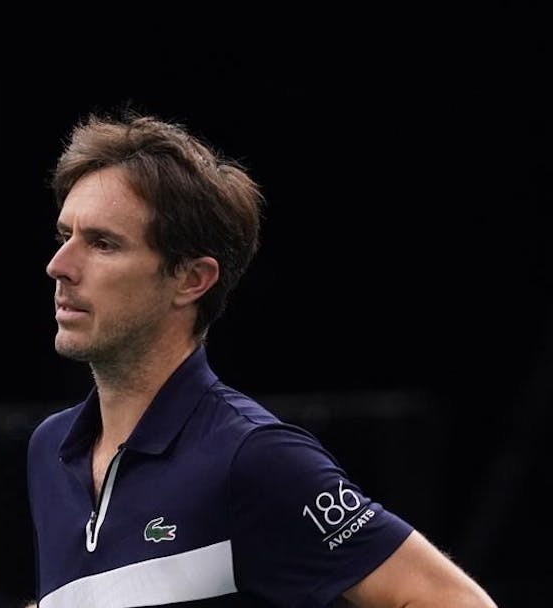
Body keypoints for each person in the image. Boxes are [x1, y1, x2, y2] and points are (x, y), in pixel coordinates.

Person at [26, 110, 498, 607]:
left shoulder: (254, 458)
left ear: (191, 279)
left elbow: (454, 601)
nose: (59, 265)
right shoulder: (49, 450)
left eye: (102, 244)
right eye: (65, 236)